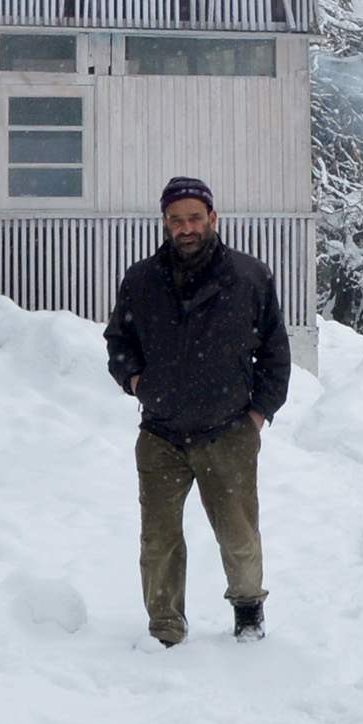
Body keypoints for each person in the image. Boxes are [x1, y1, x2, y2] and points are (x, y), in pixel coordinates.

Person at [103, 175, 290, 646]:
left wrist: (259, 412)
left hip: (227, 431)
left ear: (212, 218)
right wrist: (135, 380)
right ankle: (165, 624)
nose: (186, 228)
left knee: (238, 533)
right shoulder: (142, 279)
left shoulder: (250, 277)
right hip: (161, 434)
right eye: (175, 220)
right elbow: (118, 342)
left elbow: (275, 351)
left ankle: (248, 609)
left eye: (193, 218)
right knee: (158, 541)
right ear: (165, 223)